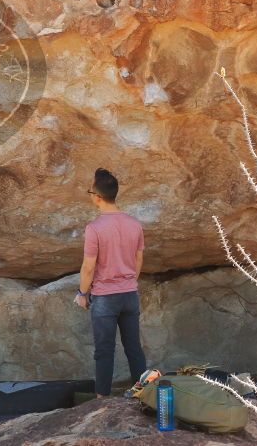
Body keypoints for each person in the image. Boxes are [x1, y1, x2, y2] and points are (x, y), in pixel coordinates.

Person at [75, 168, 147, 397]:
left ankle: (102, 401)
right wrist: (128, 282)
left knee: (104, 351)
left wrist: (82, 293)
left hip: (105, 297)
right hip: (129, 294)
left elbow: (88, 267)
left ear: (97, 196)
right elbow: (138, 259)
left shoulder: (94, 228)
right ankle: (145, 395)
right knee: (134, 348)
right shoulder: (134, 224)